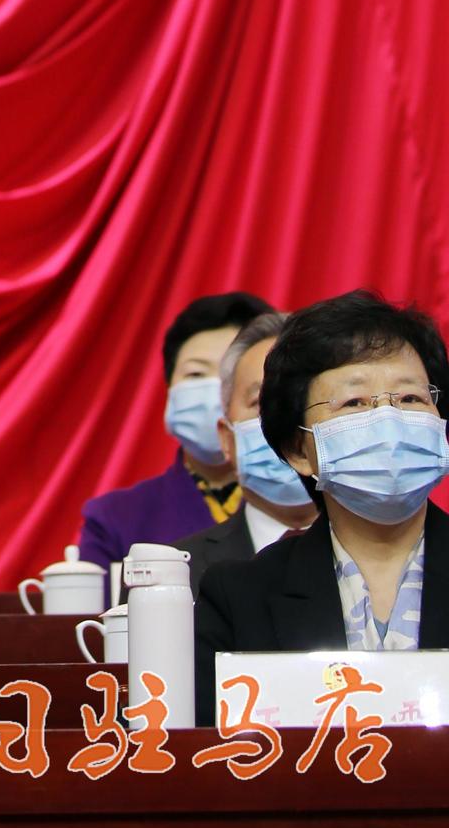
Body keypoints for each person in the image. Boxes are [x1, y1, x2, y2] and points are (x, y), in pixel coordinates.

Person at [195, 290, 449, 727]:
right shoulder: (240, 597)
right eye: (355, 403)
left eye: (410, 399)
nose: (388, 420)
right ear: (299, 450)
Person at [76, 290, 273, 572]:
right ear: (170, 388)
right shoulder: (114, 518)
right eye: (195, 374)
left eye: (230, 376)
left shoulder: (301, 505)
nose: (213, 392)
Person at [176, 311, 316, 597]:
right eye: (263, 403)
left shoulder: (396, 558)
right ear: (227, 438)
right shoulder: (175, 575)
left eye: (305, 400)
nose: (287, 421)